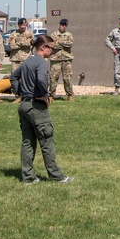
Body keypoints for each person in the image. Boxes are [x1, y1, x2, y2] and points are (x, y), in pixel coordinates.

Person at [11, 35, 73, 184]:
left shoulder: (28, 61)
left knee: (27, 142)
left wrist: (19, 92)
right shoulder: (41, 62)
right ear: (43, 47)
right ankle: (57, 176)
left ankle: (28, 177)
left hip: (24, 106)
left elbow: (13, 77)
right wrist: (44, 95)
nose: (52, 51)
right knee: (46, 140)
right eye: (51, 48)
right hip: (36, 107)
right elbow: (40, 79)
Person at [48, 18, 74, 101]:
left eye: (65, 25)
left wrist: (60, 42)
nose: (64, 27)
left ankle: (69, 95)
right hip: (55, 59)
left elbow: (70, 44)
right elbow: (52, 45)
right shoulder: (53, 35)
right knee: (53, 77)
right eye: (63, 25)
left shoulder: (69, 35)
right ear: (60, 25)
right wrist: (62, 44)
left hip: (67, 59)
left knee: (67, 78)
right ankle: (51, 95)